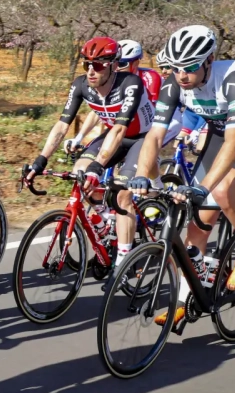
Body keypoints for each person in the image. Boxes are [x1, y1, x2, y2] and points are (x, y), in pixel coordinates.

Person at [128, 25, 235, 325]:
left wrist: (202, 187)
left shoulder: (234, 77)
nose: (181, 75)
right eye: (175, 68)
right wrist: (145, 177)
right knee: (194, 229)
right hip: (220, 135)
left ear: (209, 60)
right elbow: (153, 137)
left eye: (189, 67)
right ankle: (184, 298)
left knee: (223, 190)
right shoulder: (173, 85)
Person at [28, 37, 177, 268]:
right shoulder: (81, 85)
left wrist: (98, 166)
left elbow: (119, 129)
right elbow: (61, 126)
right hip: (112, 135)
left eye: (97, 65)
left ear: (114, 65)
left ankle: (122, 263)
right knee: (79, 172)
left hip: (140, 138)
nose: (90, 71)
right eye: (86, 64)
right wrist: (40, 159)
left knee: (123, 196)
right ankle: (104, 221)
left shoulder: (131, 83)